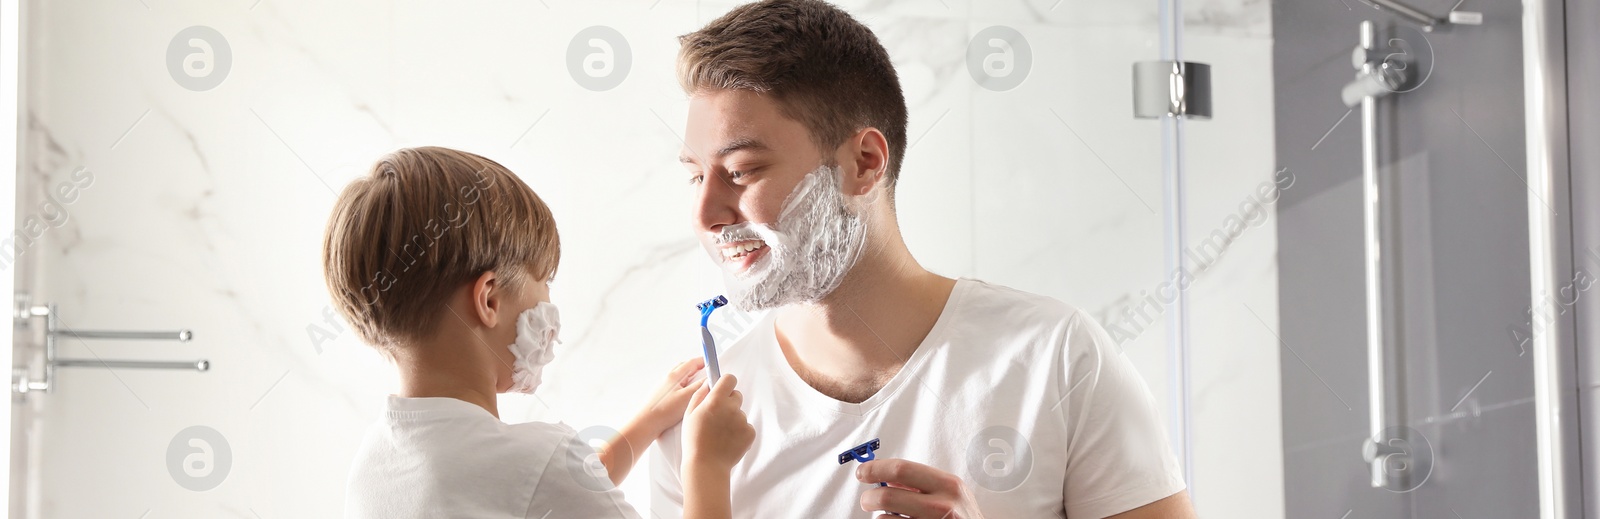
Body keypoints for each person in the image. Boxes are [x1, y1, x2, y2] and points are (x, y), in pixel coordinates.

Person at [651, 2, 1199, 518]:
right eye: (696, 175)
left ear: (864, 163)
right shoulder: (698, 425)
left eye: (741, 170)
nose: (706, 214)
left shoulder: (1055, 359)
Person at [323, 146, 755, 519]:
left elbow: (533, 496)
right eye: (543, 281)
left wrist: (645, 423)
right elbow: (541, 487)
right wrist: (706, 464)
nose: (549, 302)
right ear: (489, 300)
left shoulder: (374, 466)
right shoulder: (536, 462)